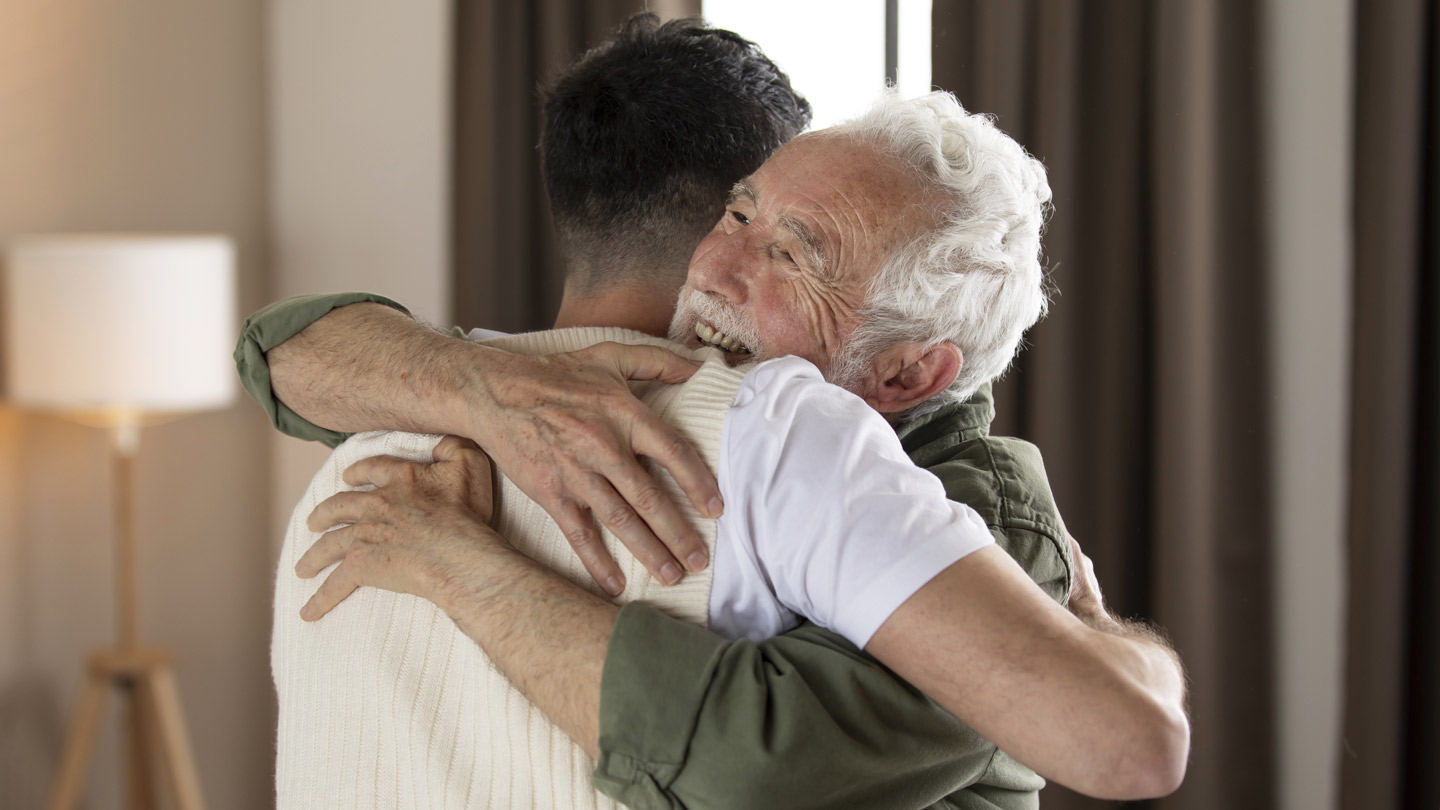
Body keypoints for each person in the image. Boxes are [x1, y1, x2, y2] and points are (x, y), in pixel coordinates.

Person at [237, 17, 1188, 809]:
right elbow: (277, 350)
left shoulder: (917, 482)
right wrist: (478, 386)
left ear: (907, 373)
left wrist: (462, 565)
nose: (718, 268)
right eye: (738, 216)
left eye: (799, 255)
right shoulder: (424, 402)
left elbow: (765, 765)